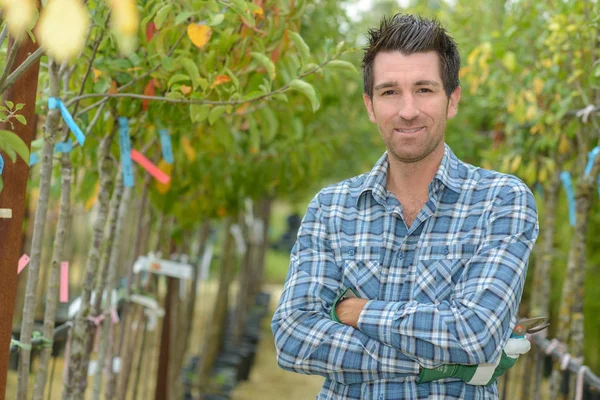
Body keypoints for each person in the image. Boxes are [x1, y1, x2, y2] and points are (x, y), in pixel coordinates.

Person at [271, 13, 539, 400]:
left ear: (453, 100)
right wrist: (448, 366)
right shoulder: (331, 209)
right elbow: (293, 337)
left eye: (424, 89)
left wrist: (356, 312)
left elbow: (475, 333)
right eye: (390, 92)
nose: (408, 109)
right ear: (369, 105)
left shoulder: (501, 201)